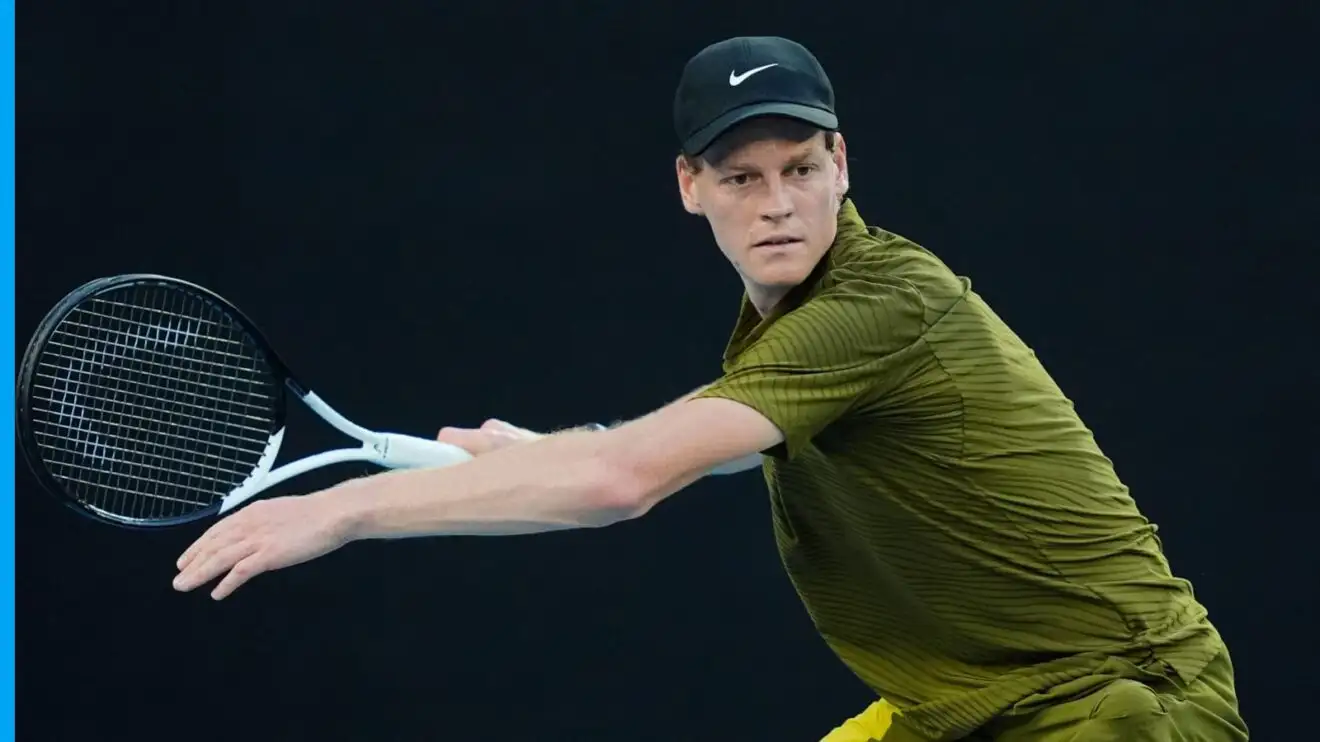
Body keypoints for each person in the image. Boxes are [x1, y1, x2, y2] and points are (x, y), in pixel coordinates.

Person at [172, 36, 1250, 741]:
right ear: (691, 186)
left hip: (1120, 708)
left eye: (800, 168)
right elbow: (714, 445)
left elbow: (622, 482)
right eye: (742, 176)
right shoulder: (787, 327)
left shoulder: (885, 300)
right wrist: (553, 451)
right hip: (968, 707)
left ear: (841, 163)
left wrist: (344, 509)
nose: (776, 202)